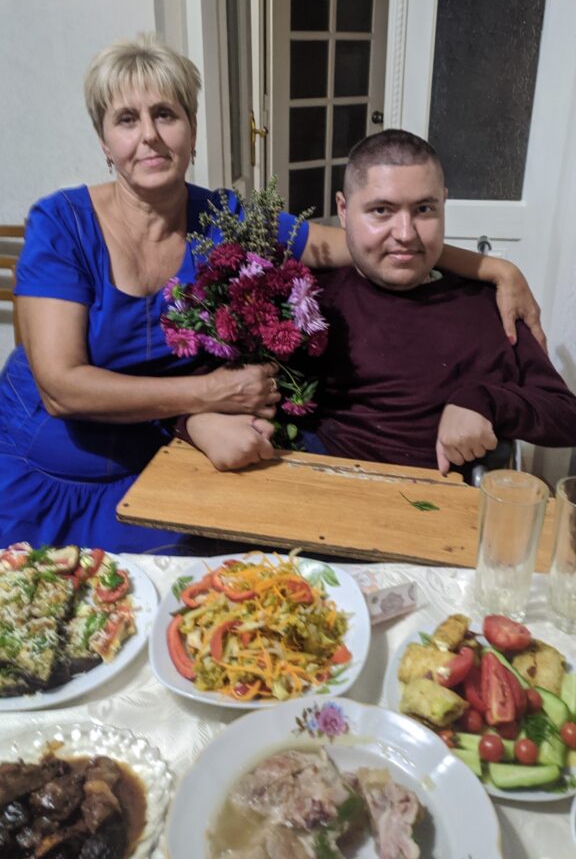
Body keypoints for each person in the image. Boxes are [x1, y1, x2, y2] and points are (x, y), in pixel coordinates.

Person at [0, 36, 544, 550]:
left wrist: (494, 267)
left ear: (191, 129)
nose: (149, 135)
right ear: (104, 141)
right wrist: (207, 398)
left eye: (166, 114)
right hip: (49, 468)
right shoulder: (62, 222)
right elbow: (62, 389)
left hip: (161, 458)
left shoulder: (222, 217)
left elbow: (352, 242)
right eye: (127, 119)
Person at [296, 129, 576, 474]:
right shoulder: (309, 299)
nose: (405, 234)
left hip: (452, 509)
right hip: (328, 498)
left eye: (424, 209)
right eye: (381, 210)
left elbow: (565, 414)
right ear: (343, 209)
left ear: (444, 203)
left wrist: (487, 401)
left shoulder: (492, 302)